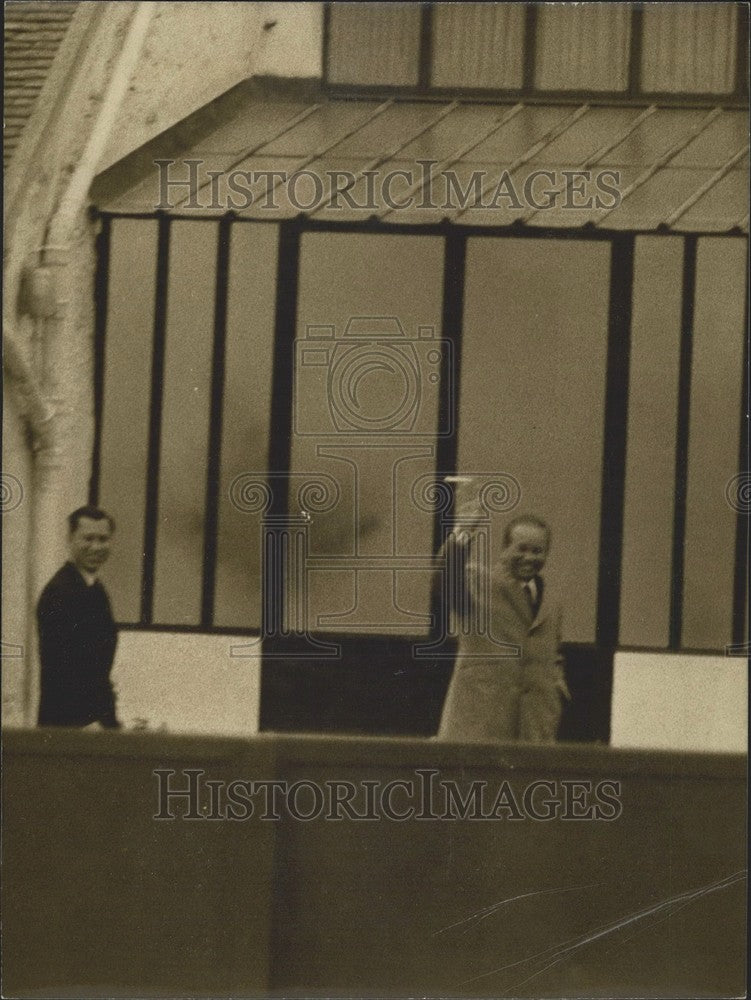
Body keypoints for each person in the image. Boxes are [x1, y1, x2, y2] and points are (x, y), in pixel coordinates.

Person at [436, 513, 570, 743]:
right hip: (479, 726)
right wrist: (462, 533)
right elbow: (444, 579)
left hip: (534, 729)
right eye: (521, 548)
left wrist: (556, 688)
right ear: (504, 549)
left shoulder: (552, 600)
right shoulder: (478, 582)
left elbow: (553, 653)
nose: (528, 557)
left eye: (537, 551)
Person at [37, 506, 120, 729]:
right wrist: (87, 721)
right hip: (71, 725)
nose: (96, 547)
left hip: (95, 720)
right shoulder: (60, 592)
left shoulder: (96, 590)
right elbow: (60, 670)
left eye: (103, 539)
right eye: (88, 538)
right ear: (70, 539)